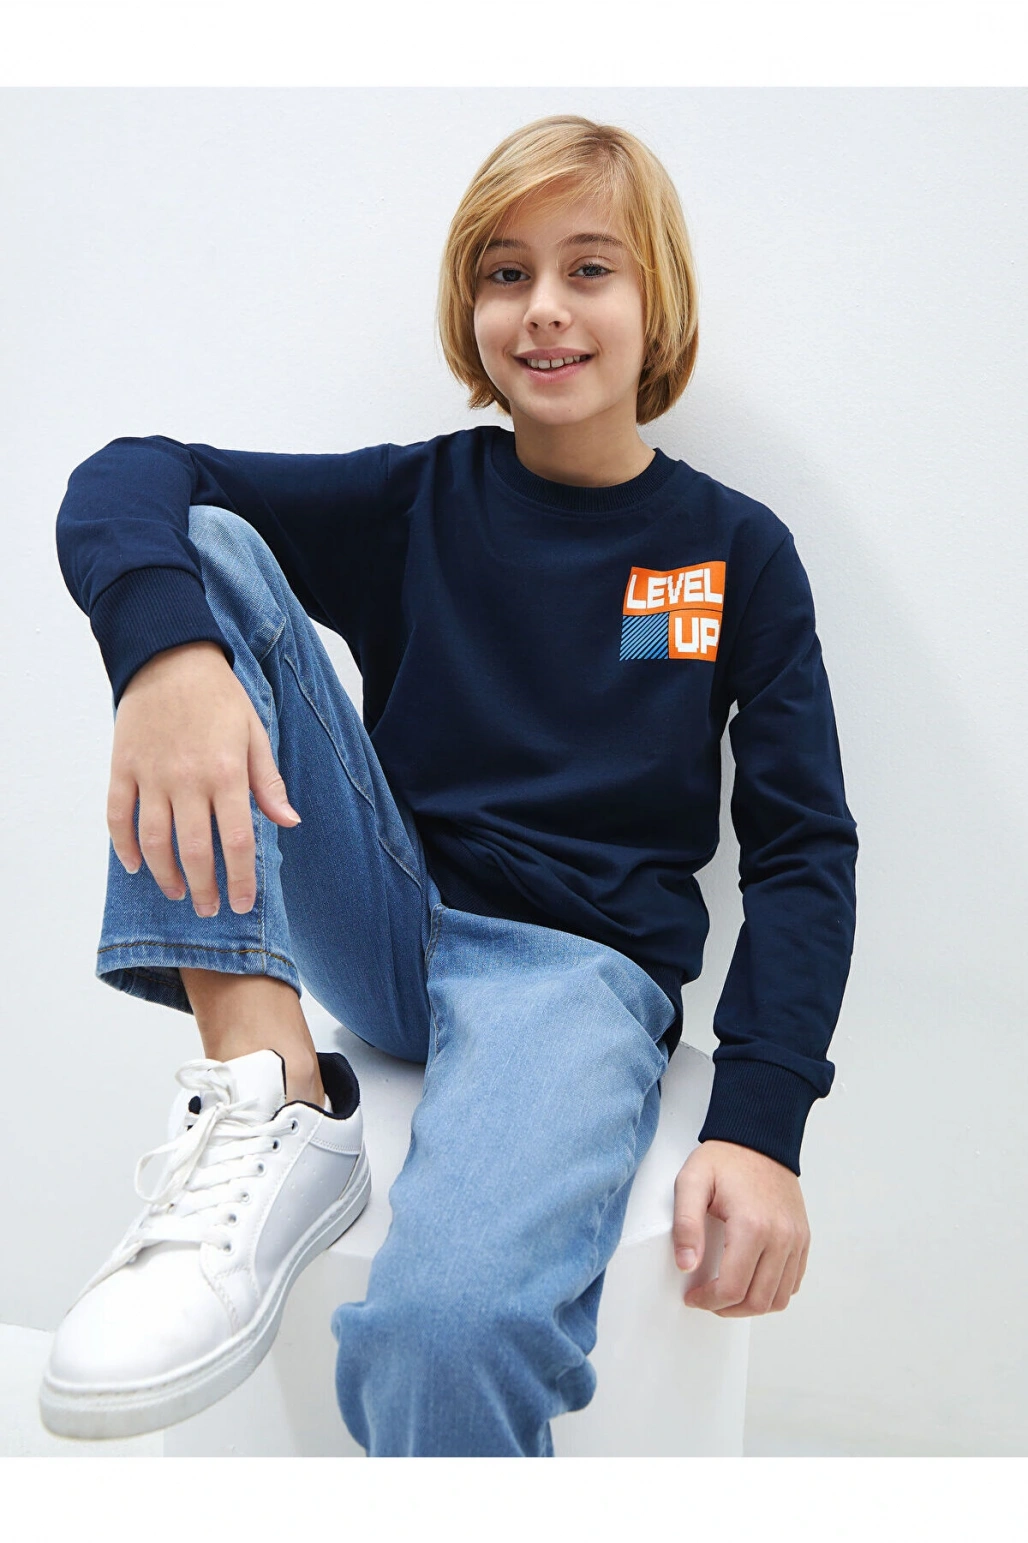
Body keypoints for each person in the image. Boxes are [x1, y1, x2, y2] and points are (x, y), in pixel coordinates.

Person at [42, 114, 858, 1456]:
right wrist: (169, 658)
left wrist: (762, 1124)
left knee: (448, 1330)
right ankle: (270, 1088)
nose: (544, 308)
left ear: (658, 300)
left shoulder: (733, 553)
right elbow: (129, 474)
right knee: (205, 547)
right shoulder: (419, 500)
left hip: (572, 974)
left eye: (589, 269)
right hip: (389, 923)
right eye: (504, 272)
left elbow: (802, 849)